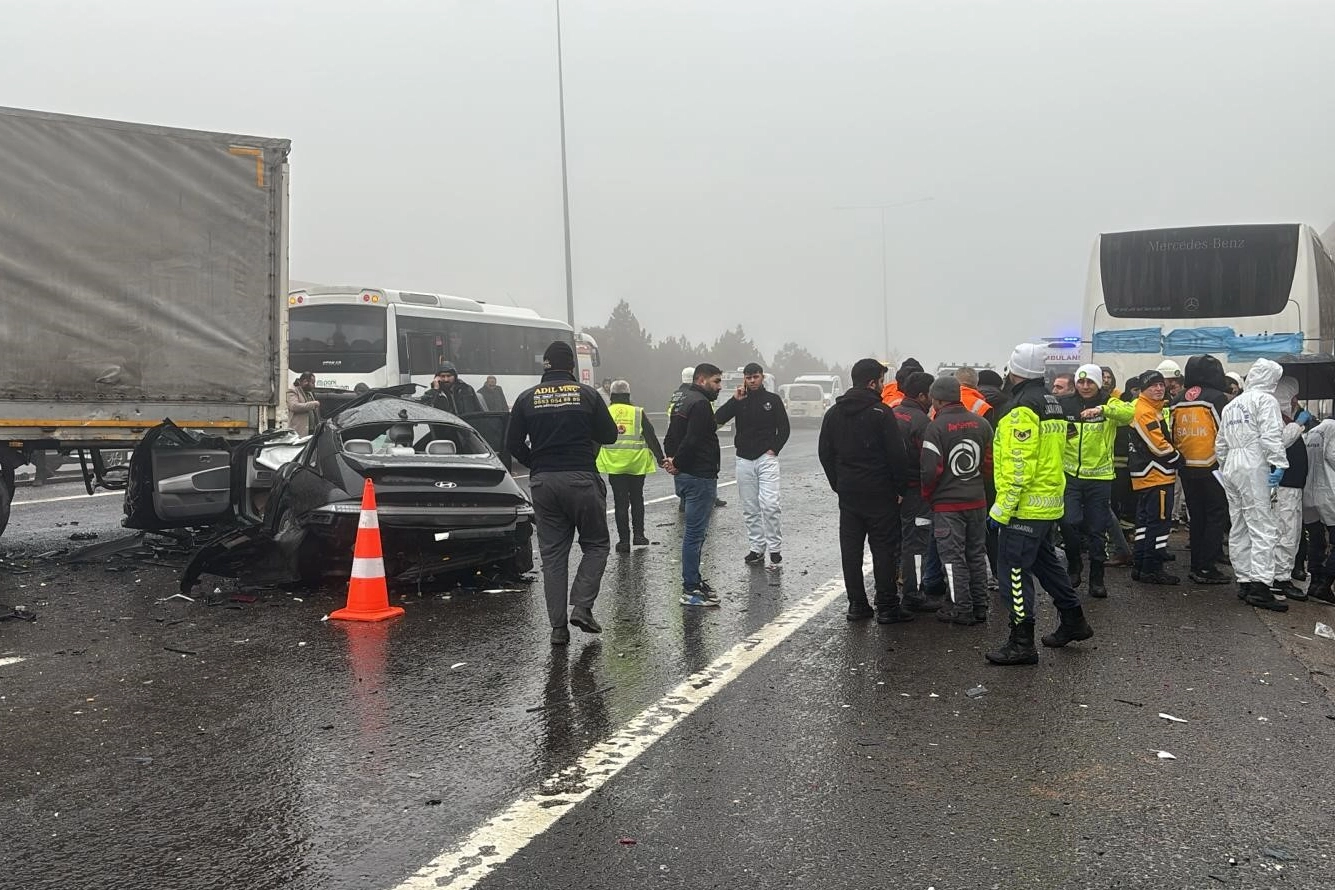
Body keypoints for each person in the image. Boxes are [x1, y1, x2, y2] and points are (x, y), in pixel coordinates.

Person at [506, 341, 619, 646]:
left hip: (543, 482)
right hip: (581, 476)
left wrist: (537, 463)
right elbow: (609, 435)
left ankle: (558, 629)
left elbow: (512, 443)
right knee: (596, 544)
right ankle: (582, 606)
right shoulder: (587, 395)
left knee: (553, 555)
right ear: (571, 366)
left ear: (545, 365)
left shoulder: (527, 398)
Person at [985, 344, 1090, 666]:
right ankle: (1073, 620)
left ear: (1012, 370)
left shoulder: (1020, 409)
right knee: (1047, 565)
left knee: (1014, 572)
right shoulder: (1051, 402)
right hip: (1048, 503)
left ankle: (1021, 641)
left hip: (1025, 507)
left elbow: (1019, 466)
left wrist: (1002, 509)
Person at [819, 358, 913, 624]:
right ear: (872, 383)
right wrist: (900, 488)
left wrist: (838, 483)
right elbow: (897, 455)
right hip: (880, 492)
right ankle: (887, 606)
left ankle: (857, 605)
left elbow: (825, 453)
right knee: (883, 550)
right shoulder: (881, 413)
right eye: (881, 381)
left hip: (849, 493)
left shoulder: (833, 414)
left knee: (851, 550)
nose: (883, 386)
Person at [1216, 359, 1289, 611]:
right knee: (1262, 526)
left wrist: (1226, 466)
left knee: (1239, 525)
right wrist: (1279, 463)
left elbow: (1220, 444)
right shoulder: (1266, 401)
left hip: (1232, 466)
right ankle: (1261, 586)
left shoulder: (1232, 405)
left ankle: (1245, 580)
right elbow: (1271, 435)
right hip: (1254, 464)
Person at [921, 375, 993, 625]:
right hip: (977, 500)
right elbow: (989, 463)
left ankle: (961, 608)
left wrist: (929, 496)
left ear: (938, 400)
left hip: (947, 504)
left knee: (952, 560)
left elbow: (930, 470)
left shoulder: (936, 427)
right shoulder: (982, 424)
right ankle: (980, 605)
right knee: (976, 554)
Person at [1059, 363, 1134, 599]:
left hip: (1099, 478)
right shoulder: (1065, 404)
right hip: (1070, 476)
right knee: (1068, 523)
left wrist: (1102, 410)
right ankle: (1074, 565)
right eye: (1081, 382)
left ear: (1098, 383)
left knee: (1097, 530)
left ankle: (1097, 578)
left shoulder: (1110, 403)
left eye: (1090, 382)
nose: (1085, 386)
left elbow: (1129, 414)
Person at [714, 362, 790, 567]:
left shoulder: (773, 400)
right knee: (750, 507)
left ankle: (775, 548)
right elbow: (717, 420)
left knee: (770, 504)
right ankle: (757, 548)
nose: (752, 381)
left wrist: (774, 449)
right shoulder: (740, 400)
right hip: (744, 459)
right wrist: (734, 400)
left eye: (755, 377)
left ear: (762, 377)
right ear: (744, 379)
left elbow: (784, 428)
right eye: (748, 378)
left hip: (766, 458)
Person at [664, 363, 725, 606]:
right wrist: (677, 462)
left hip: (686, 475)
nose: (720, 387)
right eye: (716, 381)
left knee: (695, 533)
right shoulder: (700, 404)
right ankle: (690, 588)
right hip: (699, 476)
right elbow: (693, 439)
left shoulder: (683, 400)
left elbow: (671, 436)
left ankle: (695, 580)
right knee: (695, 534)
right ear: (701, 380)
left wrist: (672, 461)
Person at [1170, 355, 1232, 584]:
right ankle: (1206, 567)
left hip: (1186, 466)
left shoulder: (1177, 399)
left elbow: (1172, 430)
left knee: (1196, 518)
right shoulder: (1217, 398)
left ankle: (1197, 565)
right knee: (1215, 516)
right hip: (1212, 466)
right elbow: (1225, 431)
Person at [596, 380, 665, 553]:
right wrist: (660, 458)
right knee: (637, 499)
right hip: (636, 464)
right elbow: (650, 436)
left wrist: (589, 462)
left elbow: (595, 438)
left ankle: (623, 541)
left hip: (614, 464)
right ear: (628, 395)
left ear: (611, 396)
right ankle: (639, 535)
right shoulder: (637, 412)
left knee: (620, 502)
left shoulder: (606, 412)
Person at [1127, 369, 1182, 584]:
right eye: (1153, 385)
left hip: (1147, 475)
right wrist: (1178, 458)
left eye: (1161, 384)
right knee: (1159, 523)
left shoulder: (1149, 407)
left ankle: (1140, 564)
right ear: (1143, 389)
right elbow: (1158, 445)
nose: (1159, 389)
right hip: (1155, 475)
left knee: (1144, 523)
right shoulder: (1144, 411)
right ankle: (1152, 567)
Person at [894, 371, 940, 611]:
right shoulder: (923, 423)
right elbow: (929, 463)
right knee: (916, 543)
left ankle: (888, 593)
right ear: (922, 395)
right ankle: (914, 594)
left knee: (894, 541)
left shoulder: (892, 413)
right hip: (916, 492)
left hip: (892, 491)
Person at [1271, 376, 1310, 601]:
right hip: (1284, 486)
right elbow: (1280, 442)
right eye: (1292, 396)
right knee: (1285, 531)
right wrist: (1297, 424)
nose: (1296, 401)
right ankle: (1280, 578)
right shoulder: (1276, 419)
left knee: (1291, 532)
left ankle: (1282, 574)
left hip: (1292, 485)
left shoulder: (1287, 418)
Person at [1300, 419, 1335, 604]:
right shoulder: (1333, 429)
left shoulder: (1313, 432)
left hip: (1309, 493)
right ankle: (1325, 585)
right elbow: (1332, 456)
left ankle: (1314, 582)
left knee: (1316, 540)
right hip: (1328, 491)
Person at [286, 372, 321, 436]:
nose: (314, 386)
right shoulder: (293, 390)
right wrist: (313, 404)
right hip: (299, 432)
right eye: (312, 383)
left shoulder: (308, 391)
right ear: (305, 382)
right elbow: (294, 406)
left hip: (311, 430)